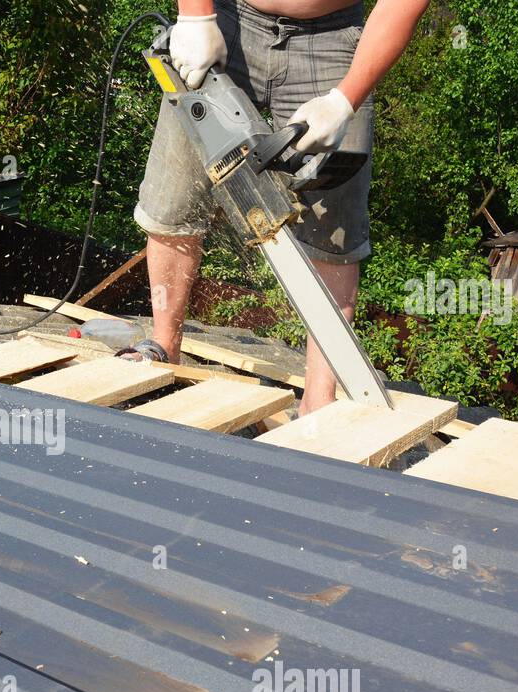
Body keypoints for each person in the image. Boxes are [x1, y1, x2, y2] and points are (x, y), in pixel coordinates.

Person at [132, 0, 428, 414]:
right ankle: (163, 348)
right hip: (227, 19)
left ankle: (318, 400)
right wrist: (195, 15)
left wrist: (345, 100)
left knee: (333, 231)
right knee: (175, 200)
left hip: (334, 40)